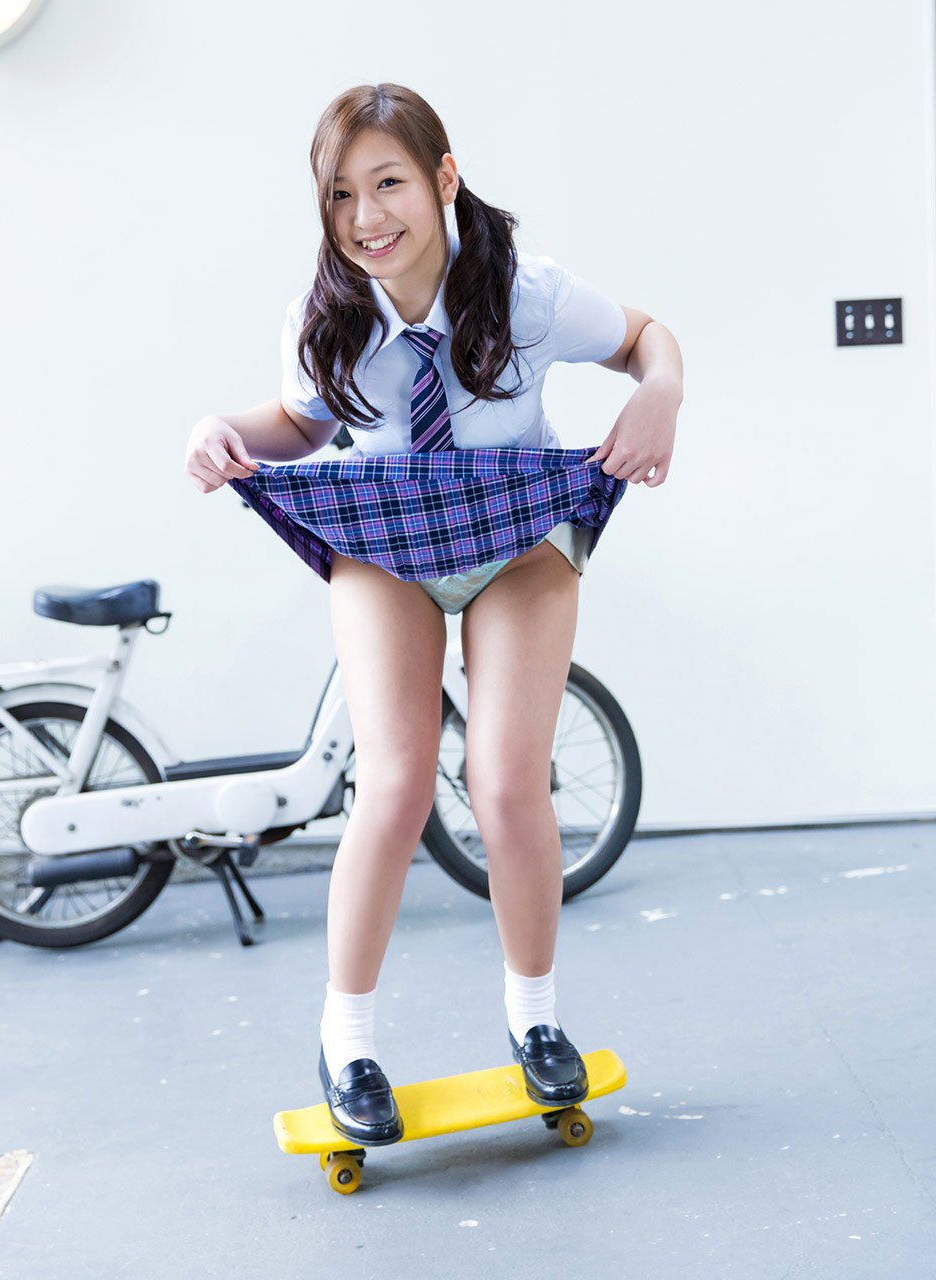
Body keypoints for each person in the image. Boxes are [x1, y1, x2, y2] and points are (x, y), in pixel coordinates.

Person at [184, 83, 683, 1148]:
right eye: (341, 194)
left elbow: (648, 338)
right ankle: (347, 1042)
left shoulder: (527, 294)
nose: (366, 216)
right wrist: (219, 428)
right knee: (397, 782)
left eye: (390, 183)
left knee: (504, 783)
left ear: (444, 178)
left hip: (516, 541)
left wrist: (660, 393)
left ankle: (536, 1018)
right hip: (386, 548)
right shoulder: (325, 316)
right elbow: (299, 426)